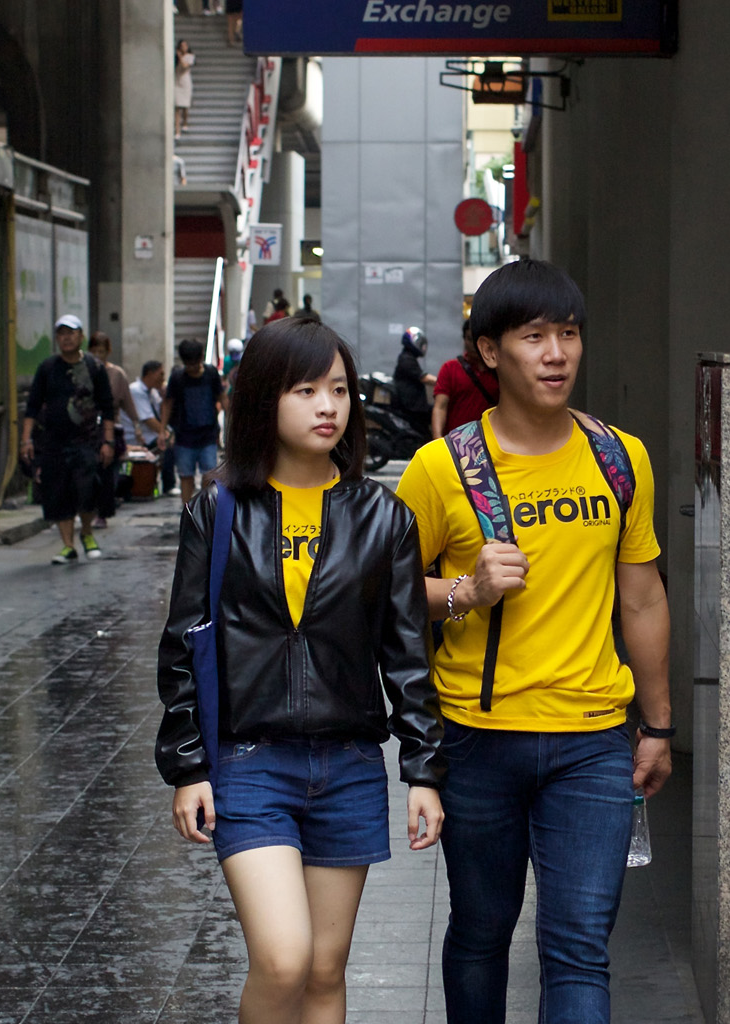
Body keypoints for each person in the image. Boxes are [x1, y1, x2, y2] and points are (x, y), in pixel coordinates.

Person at [394, 258, 673, 1023]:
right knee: (481, 934)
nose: (557, 354)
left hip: (593, 740)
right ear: (489, 351)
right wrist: (468, 592)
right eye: (535, 337)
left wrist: (657, 724)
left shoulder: (620, 458)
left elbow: (642, 597)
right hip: (477, 740)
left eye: (571, 336)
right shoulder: (442, 469)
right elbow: (381, 599)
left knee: (579, 947)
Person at [156, 316, 445, 1024]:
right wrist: (188, 766)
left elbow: (406, 652)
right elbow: (183, 646)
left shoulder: (383, 517)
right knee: (282, 958)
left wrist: (424, 771)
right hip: (250, 762)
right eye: (306, 389)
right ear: (264, 401)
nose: (328, 406)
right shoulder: (218, 511)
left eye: (339, 389)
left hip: (347, 763)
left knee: (323, 969)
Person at [20, 314, 116, 564]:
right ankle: (67, 545)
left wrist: (108, 442)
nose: (66, 338)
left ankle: (86, 532)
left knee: (86, 489)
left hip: (86, 439)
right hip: (53, 441)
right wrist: (26, 440)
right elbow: (32, 406)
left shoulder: (94, 368)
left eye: (71, 333)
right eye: (61, 334)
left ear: (81, 336)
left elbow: (107, 407)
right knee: (58, 491)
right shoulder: (48, 368)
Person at [161, 338, 225, 505]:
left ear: (201, 358)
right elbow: (168, 403)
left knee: (209, 474)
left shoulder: (211, 374)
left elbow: (222, 397)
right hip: (184, 436)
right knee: (185, 476)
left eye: (194, 364)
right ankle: (187, 511)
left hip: (208, 434)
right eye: (188, 364)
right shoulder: (177, 377)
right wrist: (162, 430)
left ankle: (204, 508)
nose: (191, 368)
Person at [87, 331, 139, 527]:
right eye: (94, 351)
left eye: (102, 351)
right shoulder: (85, 372)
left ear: (108, 352)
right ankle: (88, 510)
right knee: (89, 473)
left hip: (112, 429)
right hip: (89, 429)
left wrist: (136, 426)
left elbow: (127, 402)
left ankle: (103, 513)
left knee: (108, 475)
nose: (98, 355)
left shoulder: (117, 374)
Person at [430, 318, 498, 437]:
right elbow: (440, 407)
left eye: (477, 340)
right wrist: (437, 441)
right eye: (469, 339)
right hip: (456, 444)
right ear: (464, 339)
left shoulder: (499, 371)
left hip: (490, 443)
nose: (473, 345)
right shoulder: (450, 368)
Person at [392, 326, 436, 430]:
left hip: (413, 404)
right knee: (435, 413)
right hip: (411, 406)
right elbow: (424, 378)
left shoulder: (406, 357)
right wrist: (444, 382)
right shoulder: (406, 359)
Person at [174, 41, 195, 139]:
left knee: (185, 107)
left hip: (185, 83)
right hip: (177, 82)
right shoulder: (176, 58)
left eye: (185, 46)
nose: (183, 48)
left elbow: (184, 66)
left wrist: (180, 56)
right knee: (177, 108)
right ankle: (177, 131)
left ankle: (185, 122)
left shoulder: (190, 56)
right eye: (182, 46)